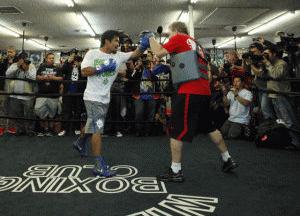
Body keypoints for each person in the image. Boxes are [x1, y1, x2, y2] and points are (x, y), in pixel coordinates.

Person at [141, 21, 238, 182]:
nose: (169, 37)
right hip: (204, 91)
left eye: (169, 33)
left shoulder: (179, 38)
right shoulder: (195, 44)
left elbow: (157, 52)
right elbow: (189, 67)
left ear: (176, 31)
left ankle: (176, 171)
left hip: (190, 91)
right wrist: (170, 68)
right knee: (209, 127)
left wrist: (150, 38)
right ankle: (227, 159)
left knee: (176, 130)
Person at [72, 30, 146, 177]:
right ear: (107, 41)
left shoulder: (118, 56)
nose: (118, 44)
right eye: (116, 41)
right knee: (98, 128)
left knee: (92, 123)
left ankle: (80, 142)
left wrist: (144, 44)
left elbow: (135, 54)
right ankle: (98, 165)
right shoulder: (93, 53)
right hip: (93, 97)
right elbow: (84, 71)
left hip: (105, 98)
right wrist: (102, 68)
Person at [258, 47, 300, 150]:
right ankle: (287, 140)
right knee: (282, 122)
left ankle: (297, 143)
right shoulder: (269, 65)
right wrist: (263, 66)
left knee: (290, 121)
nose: (266, 56)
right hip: (273, 96)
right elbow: (263, 76)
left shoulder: (282, 64)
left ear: (274, 53)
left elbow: (275, 75)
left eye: (267, 54)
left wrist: (267, 64)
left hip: (282, 97)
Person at [5, 52, 36, 136]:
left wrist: (26, 70)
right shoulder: (14, 65)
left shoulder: (31, 66)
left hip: (27, 95)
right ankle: (20, 129)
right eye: (23, 59)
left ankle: (30, 130)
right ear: (19, 59)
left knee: (29, 113)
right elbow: (7, 74)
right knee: (16, 113)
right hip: (14, 94)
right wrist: (17, 66)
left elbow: (33, 77)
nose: (25, 61)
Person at [35, 53, 63, 137]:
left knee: (52, 113)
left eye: (53, 58)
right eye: (50, 58)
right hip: (42, 94)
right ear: (46, 59)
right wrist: (45, 78)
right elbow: (37, 77)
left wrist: (52, 78)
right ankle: (42, 128)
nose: (52, 59)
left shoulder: (57, 69)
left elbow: (61, 78)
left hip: (53, 94)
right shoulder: (41, 67)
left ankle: (50, 129)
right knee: (38, 109)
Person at [58, 55, 86, 137]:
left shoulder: (83, 65)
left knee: (78, 110)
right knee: (66, 111)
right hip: (68, 91)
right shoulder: (68, 65)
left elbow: (86, 75)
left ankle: (77, 128)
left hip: (79, 92)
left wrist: (81, 65)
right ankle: (64, 129)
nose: (76, 59)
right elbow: (61, 71)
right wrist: (68, 61)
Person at [0, 46, 18, 135]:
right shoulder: (3, 62)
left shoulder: (18, 62)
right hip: (4, 88)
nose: (8, 53)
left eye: (11, 52)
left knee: (12, 108)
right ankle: (2, 127)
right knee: (3, 107)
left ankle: (11, 126)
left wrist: (13, 63)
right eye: (7, 52)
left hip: (14, 88)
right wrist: (3, 63)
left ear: (15, 53)